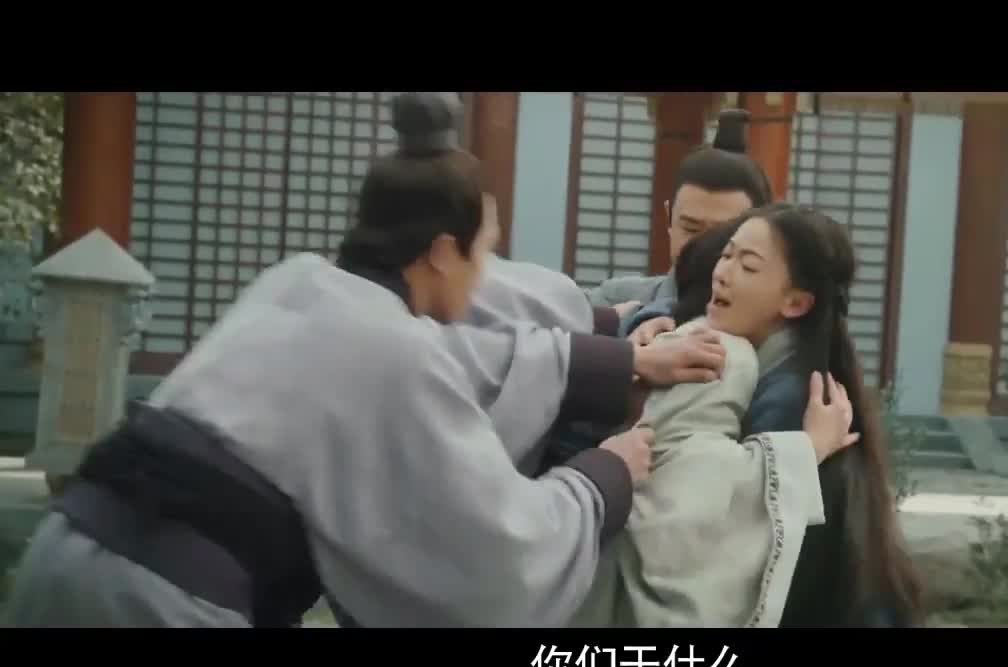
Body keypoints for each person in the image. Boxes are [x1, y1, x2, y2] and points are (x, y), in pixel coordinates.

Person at [1, 92, 726, 629]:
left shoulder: (298, 283)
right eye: (482, 252)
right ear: (441, 252)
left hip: (64, 552)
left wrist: (615, 348)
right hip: (158, 602)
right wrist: (602, 477)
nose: (488, 274)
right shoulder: (394, 348)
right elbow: (495, 552)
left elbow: (479, 343)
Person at [577, 203, 925, 628]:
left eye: (748, 265)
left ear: (795, 302)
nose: (723, 272)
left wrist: (804, 453)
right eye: (726, 254)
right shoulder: (749, 360)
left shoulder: (788, 399)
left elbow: (695, 507)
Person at [583, 107, 773, 310]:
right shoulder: (614, 302)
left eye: (723, 234)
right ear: (669, 218)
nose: (703, 247)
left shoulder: (775, 321)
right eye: (691, 229)